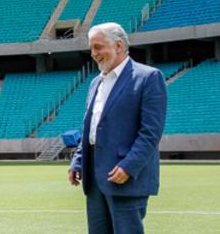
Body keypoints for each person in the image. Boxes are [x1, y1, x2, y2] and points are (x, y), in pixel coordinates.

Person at [68, 23, 167, 234]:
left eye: (98, 47)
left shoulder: (148, 78)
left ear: (119, 46)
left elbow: (151, 132)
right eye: (91, 48)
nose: (93, 54)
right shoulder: (95, 82)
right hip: (94, 179)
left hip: (125, 177)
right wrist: (78, 161)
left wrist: (129, 166)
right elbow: (91, 128)